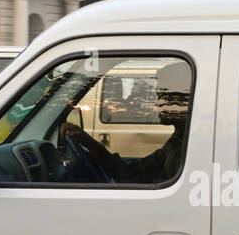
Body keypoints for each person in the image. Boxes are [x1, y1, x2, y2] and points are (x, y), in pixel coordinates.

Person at [59, 61, 191, 185]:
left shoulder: (190, 145)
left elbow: (140, 178)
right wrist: (87, 141)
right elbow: (134, 170)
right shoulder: (179, 140)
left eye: (164, 96)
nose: (157, 103)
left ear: (184, 98)